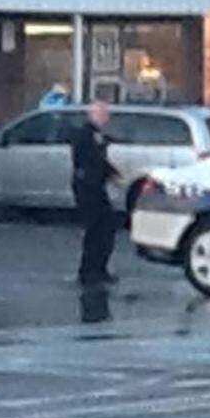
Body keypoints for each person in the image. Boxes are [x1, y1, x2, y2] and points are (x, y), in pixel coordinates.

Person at [72, 100, 120, 286]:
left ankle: (99, 268)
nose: (106, 118)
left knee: (106, 228)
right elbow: (91, 161)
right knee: (95, 230)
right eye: (103, 114)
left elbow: (101, 161)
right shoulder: (84, 135)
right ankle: (88, 271)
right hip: (87, 188)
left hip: (96, 187)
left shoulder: (97, 135)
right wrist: (108, 173)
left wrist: (115, 175)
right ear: (94, 115)